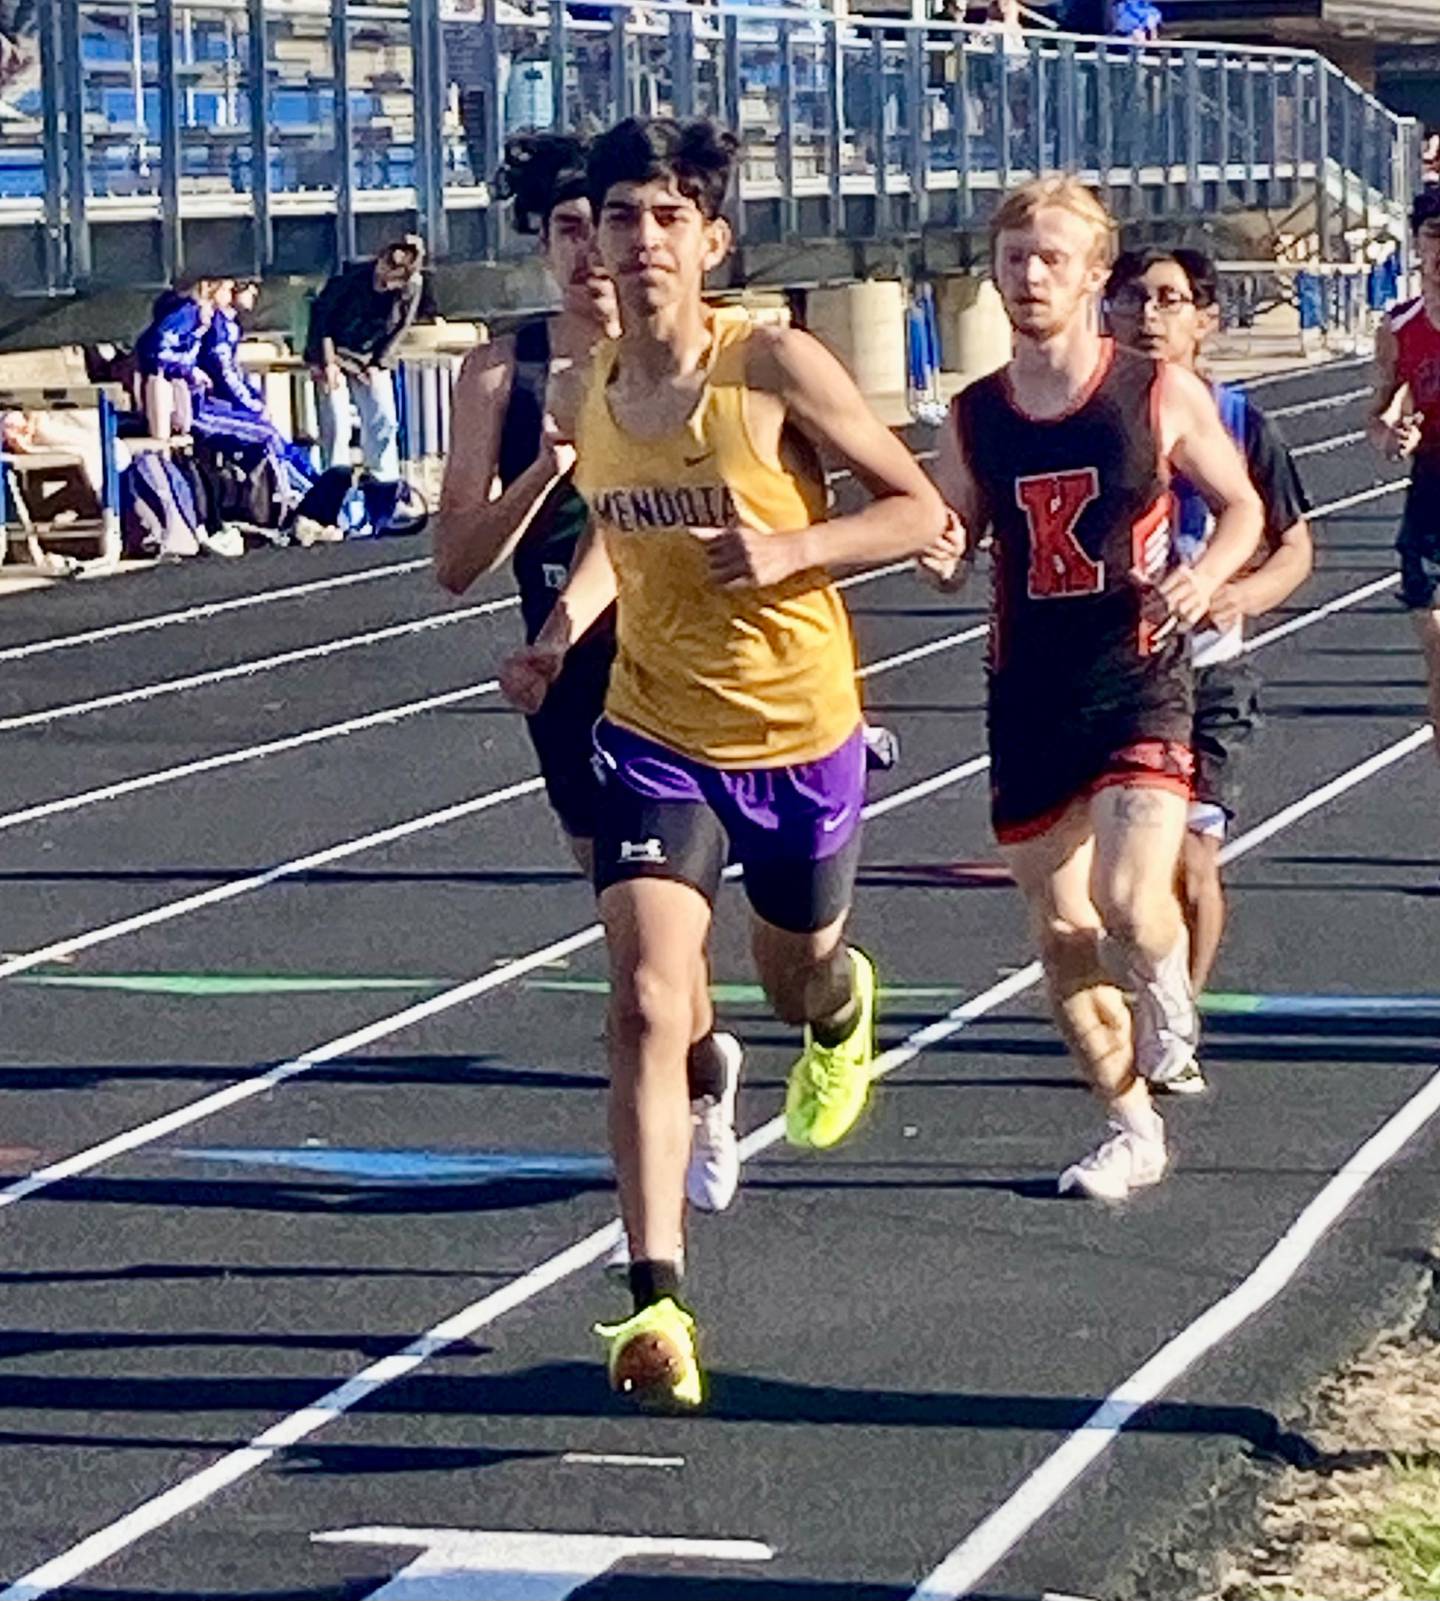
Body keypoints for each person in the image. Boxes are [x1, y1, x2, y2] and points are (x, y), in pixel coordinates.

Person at [502, 116, 945, 1409]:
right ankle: (656, 1300)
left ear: (711, 240)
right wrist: (558, 636)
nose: (640, 241)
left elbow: (919, 510)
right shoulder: (585, 395)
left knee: (793, 973)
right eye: (618, 218)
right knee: (648, 999)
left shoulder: (772, 366)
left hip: (798, 733)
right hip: (655, 732)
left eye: (666, 217)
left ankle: (840, 1010)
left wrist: (795, 550)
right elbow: (617, 536)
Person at [918, 178, 1261, 1200]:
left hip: (1138, 673)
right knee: (1062, 931)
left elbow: (1242, 507)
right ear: (994, 272)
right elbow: (952, 541)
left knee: (1125, 897)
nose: (1032, 276)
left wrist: (1208, 573)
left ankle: (1166, 980)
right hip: (1030, 690)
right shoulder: (975, 415)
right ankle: (1128, 1123)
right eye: (1015, 257)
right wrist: (937, 551)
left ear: (1092, 276)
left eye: (1052, 259)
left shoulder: (1155, 392)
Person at [436, 132, 745, 1251]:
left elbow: (642, 522)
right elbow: (455, 560)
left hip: (681, 665)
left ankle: (686, 1115)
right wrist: (547, 465)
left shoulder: (694, 362)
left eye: (599, 228)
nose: (587, 255)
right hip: (566, 681)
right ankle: (702, 1070)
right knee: (639, 938)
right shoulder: (500, 374)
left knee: (657, 938)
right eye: (566, 231)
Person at [1107, 247, 1312, 1074]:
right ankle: (1139, 999)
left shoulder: (1241, 423)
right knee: (1116, 879)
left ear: (1206, 319)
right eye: (1132, 298)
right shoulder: (1079, 416)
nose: (1148, 316)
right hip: (1110, 671)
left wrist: (1243, 594)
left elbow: (1296, 547)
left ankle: (1174, 1024)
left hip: (1210, 671)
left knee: (1192, 858)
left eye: (1169, 300)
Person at [1368, 185, 1440, 770]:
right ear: (1417, 244)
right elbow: (1376, 415)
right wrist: (1391, 435)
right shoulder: (1398, 327)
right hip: (1431, 493)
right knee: (1438, 650)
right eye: (1435, 236)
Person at [304, 236, 427, 531]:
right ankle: (332, 499)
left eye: (393, 281)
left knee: (383, 420)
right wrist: (327, 362)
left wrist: (379, 362)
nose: (385, 284)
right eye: (384, 272)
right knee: (337, 423)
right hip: (334, 351)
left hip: (370, 356)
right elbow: (323, 318)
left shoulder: (412, 287)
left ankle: (384, 497)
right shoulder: (352, 278)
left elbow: (401, 327)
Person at [195, 279, 314, 504]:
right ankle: (292, 497)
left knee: (282, 443)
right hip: (210, 407)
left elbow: (234, 374)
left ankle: (312, 487)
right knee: (267, 436)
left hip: (224, 405)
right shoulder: (217, 327)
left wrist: (254, 399)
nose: (254, 291)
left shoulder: (228, 324)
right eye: (247, 285)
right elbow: (224, 374)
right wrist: (252, 405)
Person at [135, 279, 219, 443]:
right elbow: (159, 350)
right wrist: (190, 370)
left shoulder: (196, 316)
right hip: (161, 377)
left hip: (178, 379)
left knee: (184, 427)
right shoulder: (185, 313)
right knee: (163, 435)